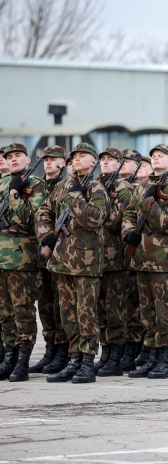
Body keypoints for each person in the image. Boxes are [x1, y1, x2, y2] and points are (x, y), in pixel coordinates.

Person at [37, 142, 109, 384]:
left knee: (86, 312)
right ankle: (74, 359)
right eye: (74, 156)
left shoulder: (97, 189)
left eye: (83, 156)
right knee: (67, 314)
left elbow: (94, 219)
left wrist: (77, 196)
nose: (77, 159)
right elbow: (43, 211)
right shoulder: (64, 186)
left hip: (86, 262)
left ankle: (88, 361)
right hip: (61, 260)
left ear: (94, 161)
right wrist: (46, 234)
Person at [122, 144, 168, 379]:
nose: (156, 159)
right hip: (142, 259)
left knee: (165, 311)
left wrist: (149, 203)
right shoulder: (142, 187)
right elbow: (129, 214)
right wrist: (128, 232)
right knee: (147, 312)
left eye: (161, 156)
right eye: (153, 156)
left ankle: (164, 358)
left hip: (165, 262)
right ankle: (150, 356)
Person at [0, 144, 47, 382]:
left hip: (22, 259)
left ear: (28, 160)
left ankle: (22, 360)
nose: (13, 159)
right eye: (9, 157)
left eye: (18, 155)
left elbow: (32, 219)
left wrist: (15, 196)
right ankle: (9, 356)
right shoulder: (1, 183)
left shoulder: (36, 185)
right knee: (4, 313)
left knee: (23, 311)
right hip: (0, 259)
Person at [95, 148, 136, 377]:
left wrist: (102, 201)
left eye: (111, 159)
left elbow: (112, 221)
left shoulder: (124, 189)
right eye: (102, 159)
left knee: (115, 310)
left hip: (117, 259)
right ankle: (106, 352)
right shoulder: (95, 187)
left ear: (120, 165)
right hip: (96, 259)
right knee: (100, 310)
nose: (105, 162)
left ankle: (116, 357)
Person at [28, 145, 68, 375]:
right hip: (42, 252)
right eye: (45, 159)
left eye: (53, 159)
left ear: (62, 163)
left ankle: (62, 350)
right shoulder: (36, 187)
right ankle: (51, 350)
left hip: (63, 253)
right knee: (45, 304)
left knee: (60, 304)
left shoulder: (66, 187)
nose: (48, 163)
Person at [117, 149, 145, 371]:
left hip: (145, 255)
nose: (122, 164)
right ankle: (127, 348)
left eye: (127, 161)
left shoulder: (136, 189)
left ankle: (137, 348)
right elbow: (127, 217)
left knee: (137, 305)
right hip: (119, 254)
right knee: (124, 305)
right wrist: (128, 231)